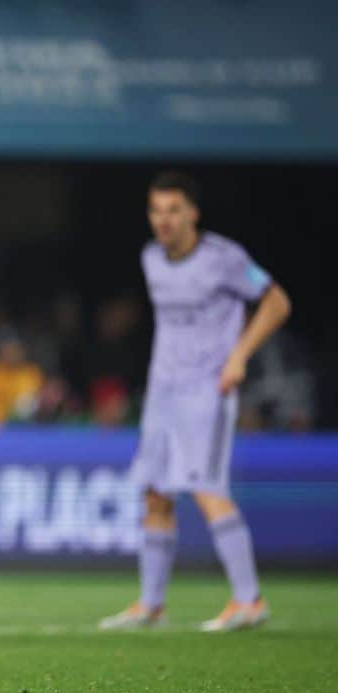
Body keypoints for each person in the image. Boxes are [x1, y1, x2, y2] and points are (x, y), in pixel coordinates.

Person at [100, 171, 291, 632]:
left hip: (208, 389)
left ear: (192, 213)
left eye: (173, 210)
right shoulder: (152, 259)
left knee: (206, 487)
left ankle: (249, 600)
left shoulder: (224, 258)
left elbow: (277, 302)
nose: (163, 220)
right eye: (156, 211)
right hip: (163, 392)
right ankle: (151, 605)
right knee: (156, 491)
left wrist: (239, 357)